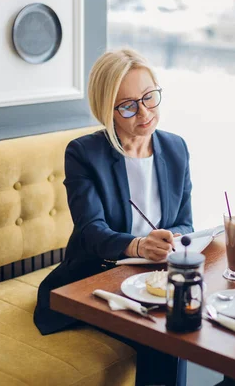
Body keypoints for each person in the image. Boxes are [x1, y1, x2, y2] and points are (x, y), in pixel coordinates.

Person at [34, 48, 193, 385]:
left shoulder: (176, 148)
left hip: (154, 278)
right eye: (128, 105)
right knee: (163, 335)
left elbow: (184, 223)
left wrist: (170, 240)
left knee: (198, 318)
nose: (145, 112)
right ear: (107, 111)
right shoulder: (84, 153)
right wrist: (139, 246)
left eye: (149, 97)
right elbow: (92, 233)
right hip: (95, 279)